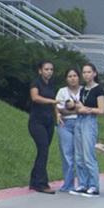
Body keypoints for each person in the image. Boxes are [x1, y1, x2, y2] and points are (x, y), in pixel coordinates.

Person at [62, 64, 104, 193]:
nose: (86, 75)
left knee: (88, 154)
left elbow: (101, 110)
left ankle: (94, 185)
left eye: (89, 72)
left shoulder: (98, 90)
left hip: (89, 121)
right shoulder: (83, 90)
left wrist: (88, 110)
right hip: (79, 119)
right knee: (79, 155)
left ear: (94, 73)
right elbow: (79, 105)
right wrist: (74, 106)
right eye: (84, 72)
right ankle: (82, 183)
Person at [25, 61, 60, 192]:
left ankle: (34, 180)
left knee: (43, 151)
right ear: (40, 70)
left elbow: (54, 104)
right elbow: (35, 97)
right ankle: (41, 183)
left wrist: (57, 115)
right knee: (43, 149)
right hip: (36, 122)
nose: (49, 72)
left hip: (49, 122)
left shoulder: (52, 85)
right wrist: (51, 101)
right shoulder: (36, 83)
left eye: (51, 69)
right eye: (46, 69)